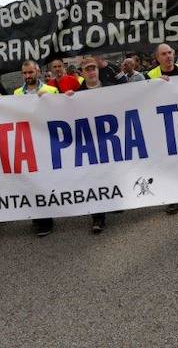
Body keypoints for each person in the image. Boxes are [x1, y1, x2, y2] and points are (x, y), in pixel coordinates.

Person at [68, 56, 115, 233]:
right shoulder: (75, 95)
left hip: (112, 140)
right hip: (90, 142)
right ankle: (98, 218)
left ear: (97, 69)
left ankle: (116, 201)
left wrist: (158, 83)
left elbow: (138, 91)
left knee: (113, 172)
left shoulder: (112, 88)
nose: (91, 71)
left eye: (93, 68)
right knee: (94, 178)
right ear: (82, 72)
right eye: (87, 69)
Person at [13, 60, 58, 236]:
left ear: (38, 72)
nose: (28, 76)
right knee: (30, 181)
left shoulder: (51, 90)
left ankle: (46, 220)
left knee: (43, 180)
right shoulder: (17, 93)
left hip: (44, 141)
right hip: (26, 142)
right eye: (24, 73)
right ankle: (37, 217)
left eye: (30, 72)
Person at [148, 43, 178, 214]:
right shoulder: (150, 75)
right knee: (170, 161)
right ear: (157, 58)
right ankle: (175, 197)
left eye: (170, 53)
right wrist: (155, 85)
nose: (168, 56)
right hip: (164, 124)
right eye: (164, 54)